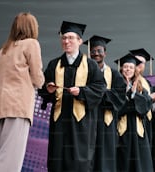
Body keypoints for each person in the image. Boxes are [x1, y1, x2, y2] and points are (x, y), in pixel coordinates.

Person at [39, 21, 106, 172]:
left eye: (70, 38)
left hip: (82, 124)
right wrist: (48, 90)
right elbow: (43, 88)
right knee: (57, 161)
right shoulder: (54, 64)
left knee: (79, 163)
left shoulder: (90, 65)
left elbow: (100, 88)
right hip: (59, 122)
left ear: (80, 41)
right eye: (63, 38)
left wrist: (82, 92)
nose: (66, 41)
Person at [0, 12, 44, 172]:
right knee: (10, 160)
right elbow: (38, 78)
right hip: (18, 106)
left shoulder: (3, 50)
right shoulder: (31, 44)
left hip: (0, 106)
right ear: (31, 28)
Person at [84, 35, 126, 172]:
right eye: (93, 51)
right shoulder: (83, 73)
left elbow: (120, 97)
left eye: (99, 51)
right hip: (87, 119)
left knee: (105, 159)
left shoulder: (114, 75)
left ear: (105, 53)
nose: (96, 54)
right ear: (89, 53)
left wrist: (98, 93)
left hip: (106, 121)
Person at [115, 53, 154, 172]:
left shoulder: (140, 86)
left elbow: (145, 107)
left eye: (131, 67)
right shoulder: (116, 85)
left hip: (138, 131)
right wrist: (132, 99)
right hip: (122, 131)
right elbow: (117, 108)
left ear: (135, 70)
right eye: (126, 67)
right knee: (124, 162)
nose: (128, 69)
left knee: (140, 163)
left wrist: (133, 95)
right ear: (121, 68)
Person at [129, 48, 155, 145]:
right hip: (132, 121)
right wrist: (149, 98)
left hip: (147, 121)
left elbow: (152, 107)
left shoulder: (146, 82)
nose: (139, 64)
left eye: (142, 62)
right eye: (137, 61)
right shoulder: (128, 80)